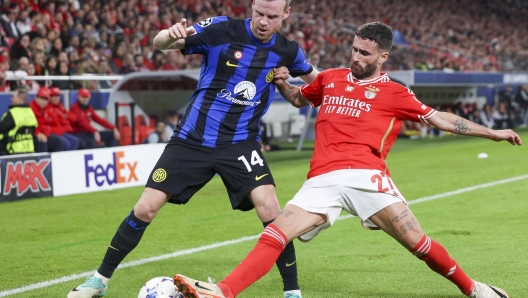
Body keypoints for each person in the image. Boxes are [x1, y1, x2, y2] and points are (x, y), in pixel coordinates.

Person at [173, 22, 520, 298]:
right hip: (322, 178)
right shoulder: (330, 78)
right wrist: (282, 84)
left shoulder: (395, 92)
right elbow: (299, 98)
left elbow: (441, 119)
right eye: (354, 49)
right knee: (277, 231)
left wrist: (494, 133)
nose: (356, 57)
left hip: (367, 177)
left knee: (419, 244)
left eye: (365, 53)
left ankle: (472, 289)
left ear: (382, 57)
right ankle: (223, 291)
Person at [67, 0, 319, 297]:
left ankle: (292, 292)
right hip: (192, 139)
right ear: (252, 6)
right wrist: (169, 34)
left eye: (272, 17)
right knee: (146, 208)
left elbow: (317, 82)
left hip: (240, 142)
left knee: (270, 207)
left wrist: (289, 85)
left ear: (286, 14)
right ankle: (99, 280)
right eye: (259, 13)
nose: (264, 22)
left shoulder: (287, 50)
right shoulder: (222, 28)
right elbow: (161, 44)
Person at [0, 87, 37, 155]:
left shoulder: (13, 113)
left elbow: (2, 128)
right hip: (29, 148)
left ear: (20, 99)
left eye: (13, 97)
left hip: (13, 148)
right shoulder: (30, 112)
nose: (11, 99)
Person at [29, 87, 64, 153]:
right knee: (42, 143)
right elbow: (27, 125)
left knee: (58, 141)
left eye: (46, 100)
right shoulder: (30, 109)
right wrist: (37, 133)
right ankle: (42, 162)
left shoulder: (44, 109)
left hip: (45, 135)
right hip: (33, 136)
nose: (44, 102)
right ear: (36, 97)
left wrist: (45, 133)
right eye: (42, 98)